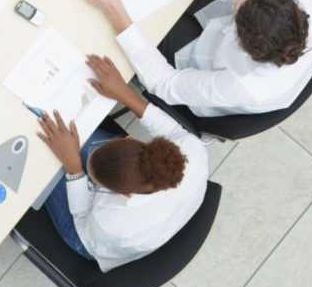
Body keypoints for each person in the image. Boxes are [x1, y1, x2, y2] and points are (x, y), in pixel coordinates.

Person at [77, 0, 312, 118]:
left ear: (236, 30)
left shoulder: (245, 85)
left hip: (209, 75)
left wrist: (114, 9)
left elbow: (164, 83)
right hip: (243, 43)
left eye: (237, 4)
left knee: (144, 23)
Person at [34, 54, 208, 271]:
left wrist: (73, 168)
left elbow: (82, 217)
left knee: (43, 154)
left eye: (94, 179)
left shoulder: (110, 222)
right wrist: (123, 93)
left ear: (117, 192)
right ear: (131, 141)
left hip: (89, 235)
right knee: (71, 134)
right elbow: (173, 130)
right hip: (157, 216)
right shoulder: (192, 150)